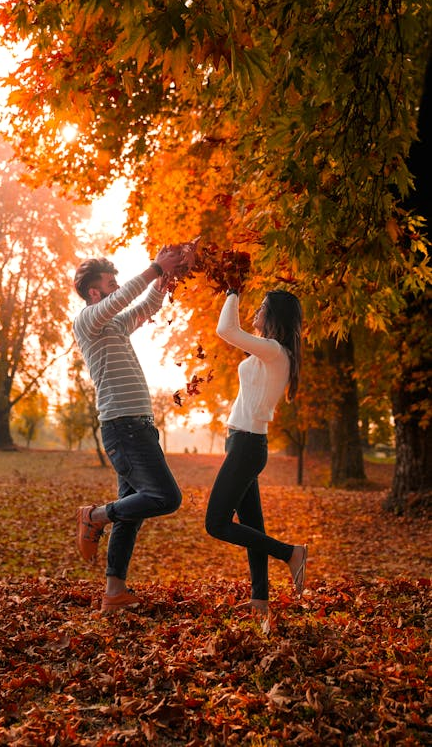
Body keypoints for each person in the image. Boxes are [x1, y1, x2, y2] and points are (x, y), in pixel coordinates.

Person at [73, 248, 186, 614]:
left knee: (131, 512)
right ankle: (94, 516)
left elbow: (144, 307)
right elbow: (125, 298)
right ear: (94, 293)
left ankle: (114, 593)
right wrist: (155, 268)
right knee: (166, 497)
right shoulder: (87, 320)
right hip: (124, 426)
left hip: (137, 425)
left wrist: (168, 278)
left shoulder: (115, 326)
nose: (117, 288)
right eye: (110, 284)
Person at [205, 287, 307, 624]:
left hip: (248, 447)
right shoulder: (267, 354)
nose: (256, 311)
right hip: (242, 443)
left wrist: (232, 291)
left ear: (275, 316)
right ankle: (260, 600)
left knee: (216, 524)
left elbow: (226, 331)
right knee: (253, 526)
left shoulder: (275, 352)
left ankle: (291, 553)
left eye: (262, 307)